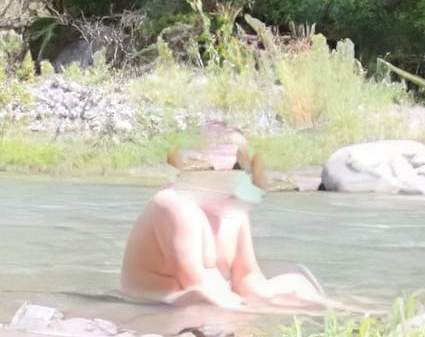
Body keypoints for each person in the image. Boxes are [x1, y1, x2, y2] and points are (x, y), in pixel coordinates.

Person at [120, 124, 325, 316]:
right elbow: (196, 289)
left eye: (244, 166)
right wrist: (258, 313)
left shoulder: (234, 213)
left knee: (296, 284)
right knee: (207, 305)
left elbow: (247, 279)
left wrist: (326, 308)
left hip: (213, 302)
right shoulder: (174, 206)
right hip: (156, 310)